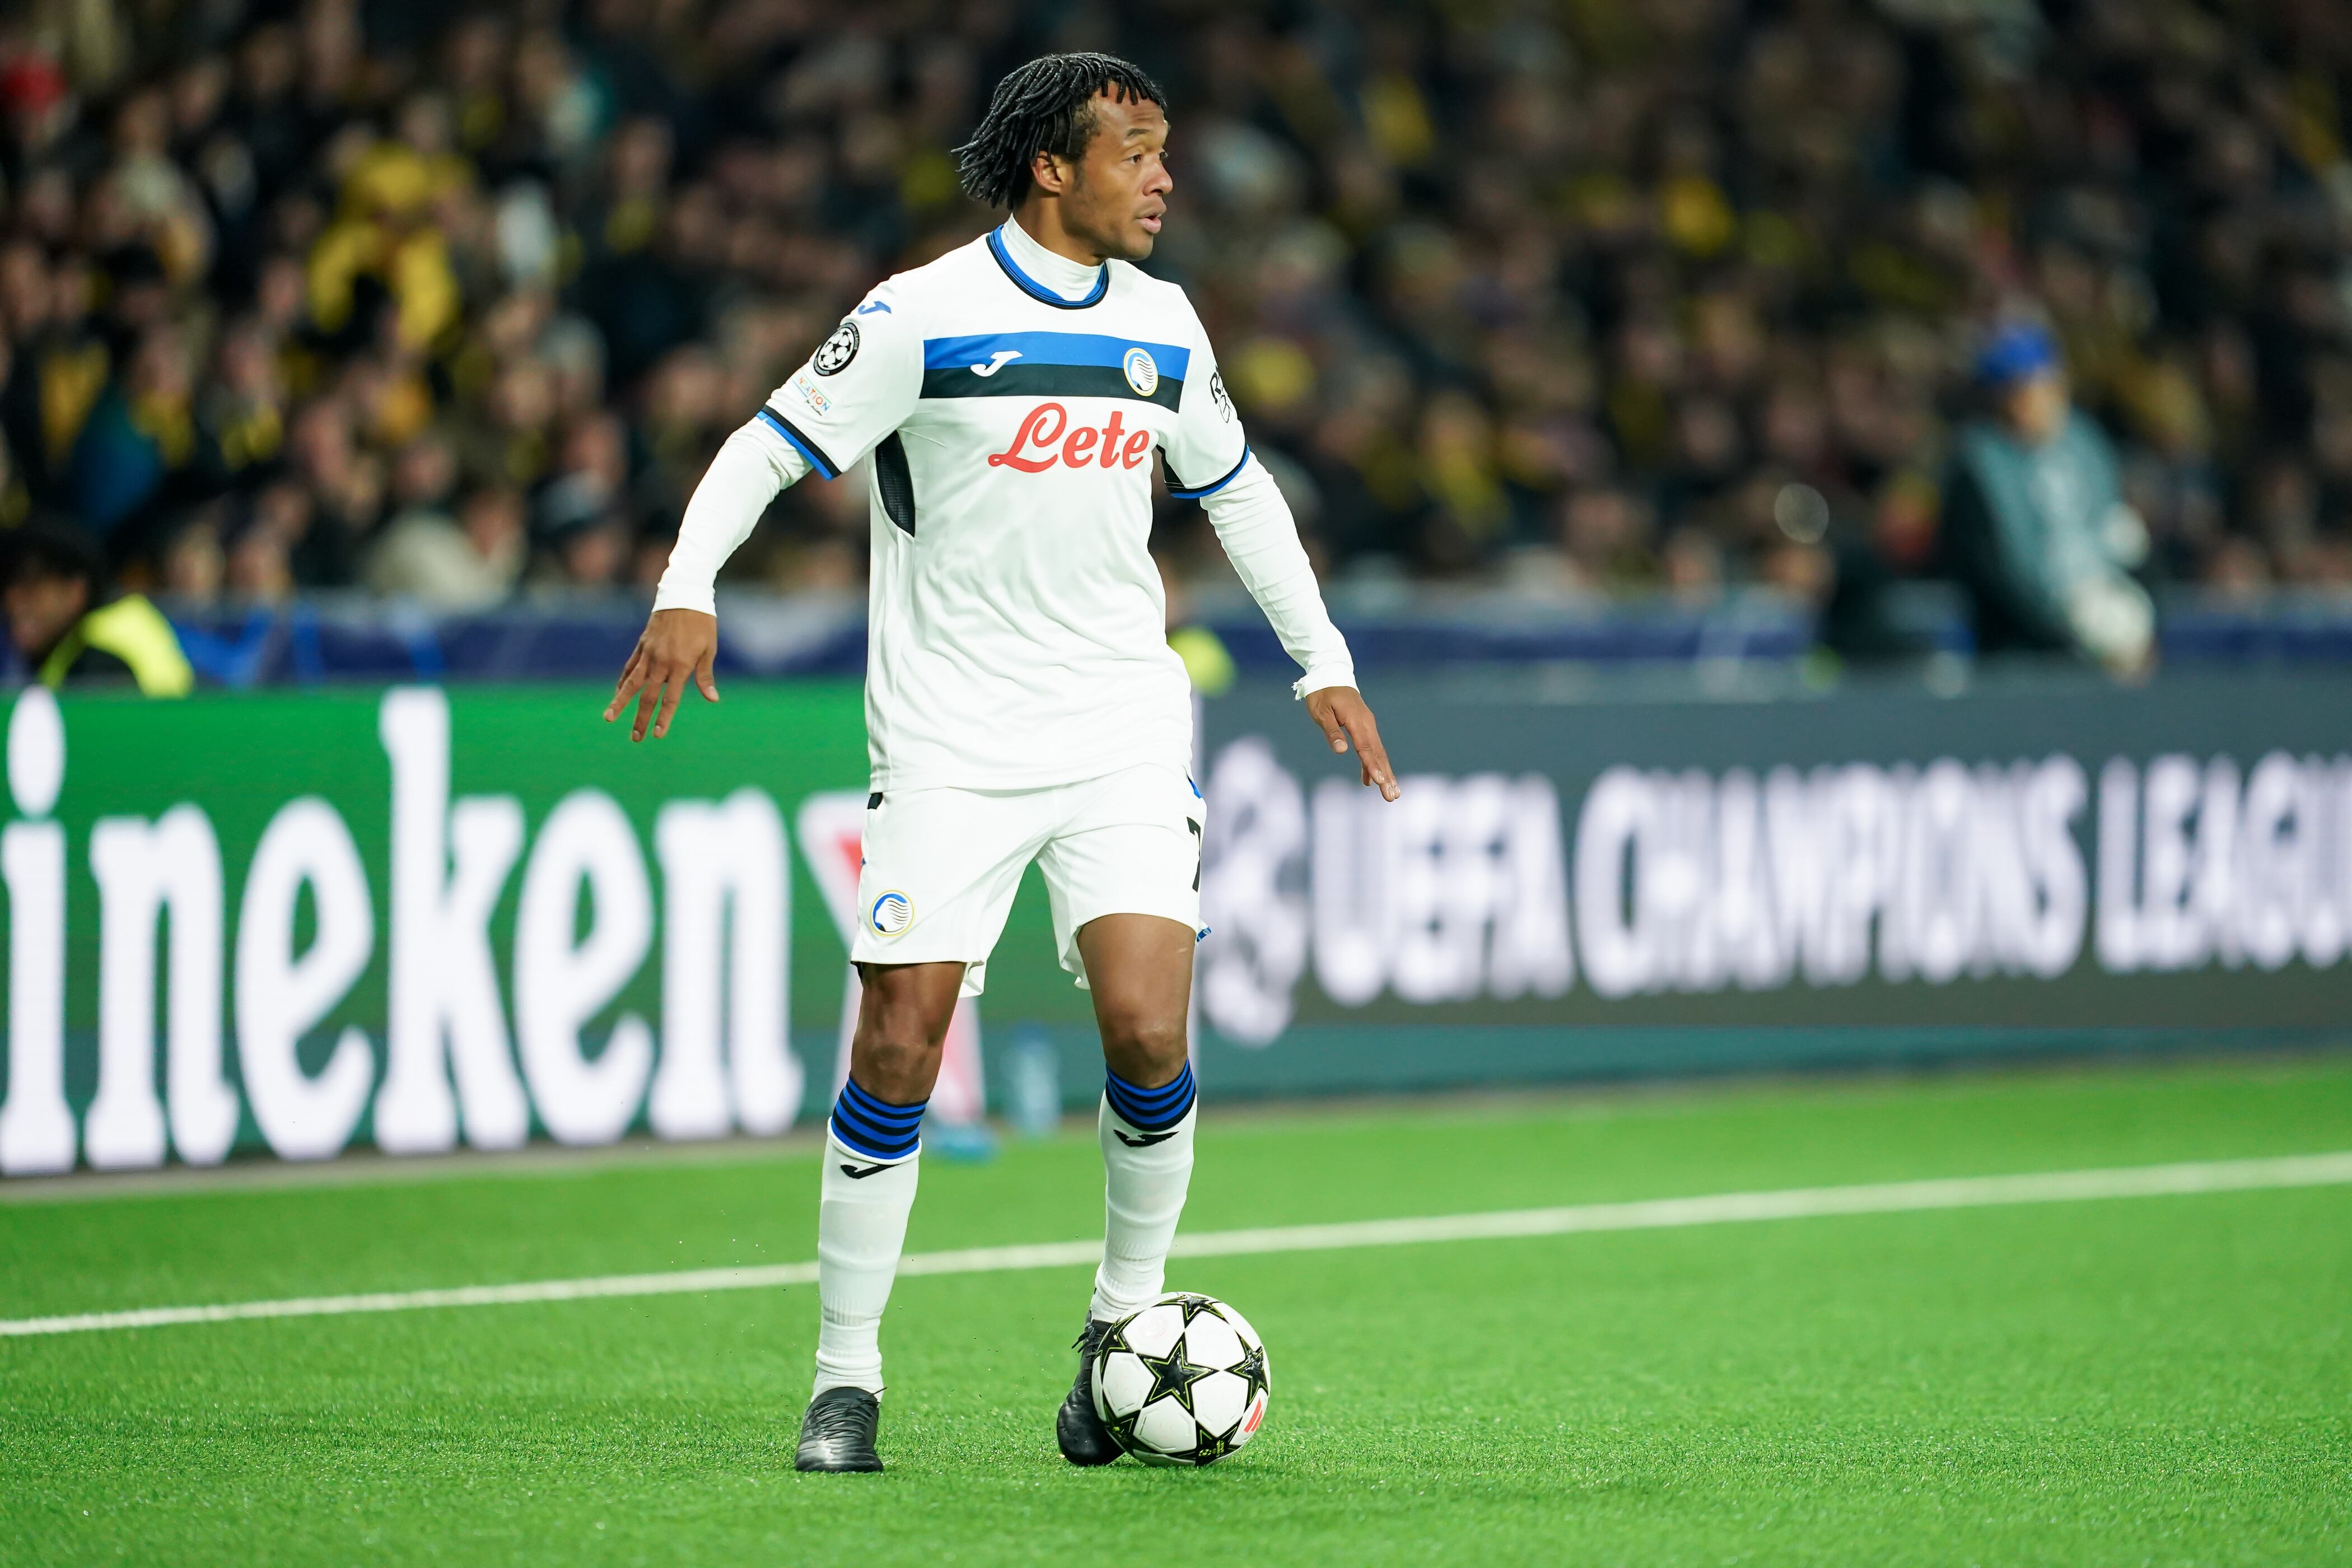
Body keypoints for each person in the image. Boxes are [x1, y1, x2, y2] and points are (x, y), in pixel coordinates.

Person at [603, 53, 1397, 1473]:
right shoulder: (919, 316)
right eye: (1137, 153)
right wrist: (686, 585)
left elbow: (1239, 493)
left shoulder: (1164, 325)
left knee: (1149, 1030)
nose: (1164, 179)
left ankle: (1117, 1330)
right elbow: (766, 447)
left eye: (1165, 152)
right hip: (951, 741)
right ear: (1052, 165)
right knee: (899, 1042)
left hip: (1119, 727)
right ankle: (845, 1380)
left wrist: (1321, 658)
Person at [1942, 321, 2155, 676]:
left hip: (2100, 608)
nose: (2036, 401)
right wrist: (2068, 633)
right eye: (2020, 391)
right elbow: (1998, 574)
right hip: (2024, 645)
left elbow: (2116, 528)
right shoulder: (1979, 465)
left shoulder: (2085, 443)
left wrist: (2131, 615)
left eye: (2043, 385)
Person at [3, 522, 194, 696]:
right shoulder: (127, 614)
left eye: (30, 588)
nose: (13, 601)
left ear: (75, 592)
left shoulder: (97, 658)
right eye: (7, 587)